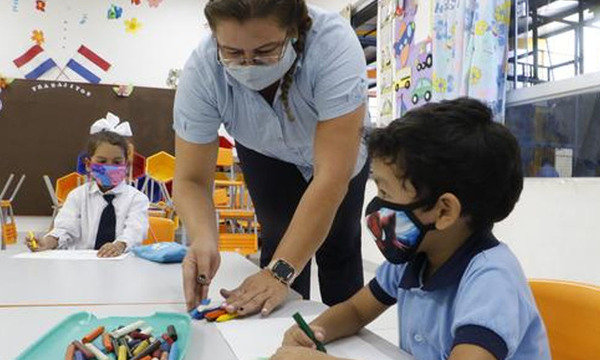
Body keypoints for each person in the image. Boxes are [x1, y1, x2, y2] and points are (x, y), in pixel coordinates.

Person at [272, 98, 551, 360]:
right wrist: (314, 331)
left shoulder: (492, 280)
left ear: (444, 211)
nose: (378, 205)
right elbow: (356, 310)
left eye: (386, 192)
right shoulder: (415, 256)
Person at [174, 0, 370, 315]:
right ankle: (275, 332)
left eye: (266, 51)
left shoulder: (332, 44)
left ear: (293, 30)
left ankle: (344, 333)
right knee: (279, 241)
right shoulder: (202, 70)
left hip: (340, 155)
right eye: (233, 54)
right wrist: (202, 238)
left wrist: (281, 271)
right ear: (215, 38)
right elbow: (190, 179)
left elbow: (331, 177)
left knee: (338, 244)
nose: (249, 65)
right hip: (265, 149)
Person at [26, 118, 149, 258]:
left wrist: (119, 245)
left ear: (126, 165)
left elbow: (135, 231)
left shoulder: (137, 199)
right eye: (102, 161)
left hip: (122, 264)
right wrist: (47, 242)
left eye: (117, 162)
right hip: (82, 266)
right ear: (88, 164)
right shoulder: (77, 196)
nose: (109, 167)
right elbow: (65, 228)